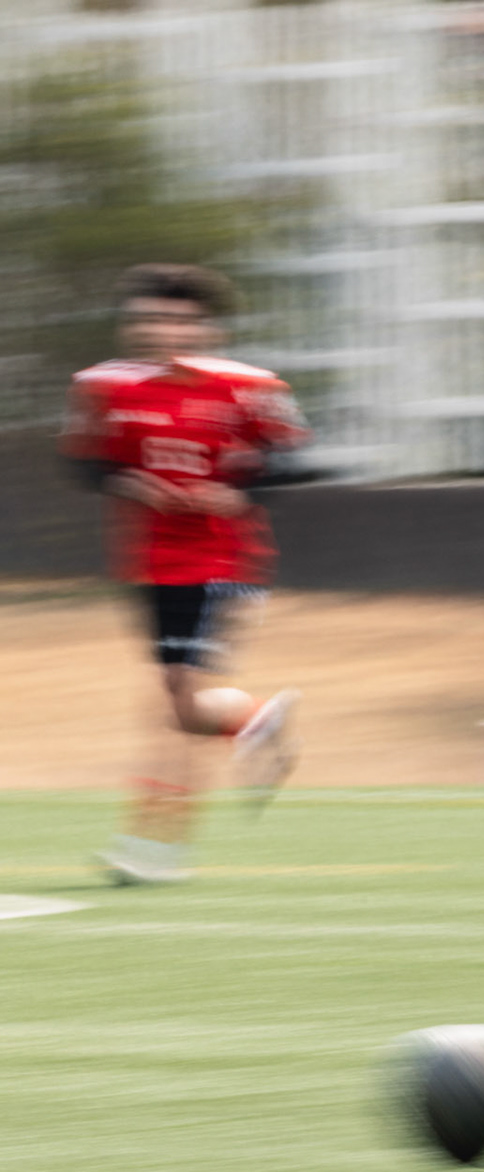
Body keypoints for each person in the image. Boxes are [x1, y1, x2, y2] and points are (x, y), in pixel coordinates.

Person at [62, 263, 310, 884]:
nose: (162, 329)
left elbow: (296, 460)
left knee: (172, 702)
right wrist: (128, 481)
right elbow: (83, 466)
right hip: (148, 561)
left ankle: (156, 847)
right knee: (182, 705)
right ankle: (254, 718)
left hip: (223, 558)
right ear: (131, 324)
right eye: (149, 318)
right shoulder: (103, 387)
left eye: (178, 319)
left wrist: (238, 492)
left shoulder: (249, 387)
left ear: (206, 327)